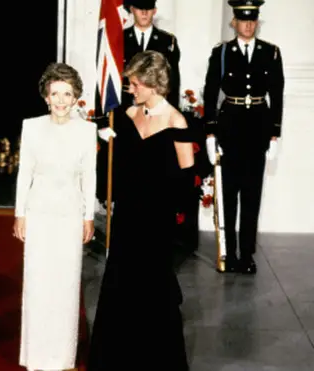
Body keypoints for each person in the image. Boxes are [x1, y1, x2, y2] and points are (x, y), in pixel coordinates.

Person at [88, 51, 192, 370]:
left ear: (152, 83)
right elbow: (112, 163)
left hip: (157, 220)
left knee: (153, 288)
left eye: (135, 83)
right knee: (121, 283)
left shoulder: (177, 121)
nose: (131, 89)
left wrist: (172, 213)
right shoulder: (126, 115)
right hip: (128, 215)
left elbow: (187, 177)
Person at [14, 63, 97, 371]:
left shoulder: (87, 131)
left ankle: (62, 359)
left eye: (67, 94)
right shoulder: (31, 126)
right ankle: (36, 358)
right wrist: (20, 213)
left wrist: (89, 216)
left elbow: (89, 177)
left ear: (75, 97)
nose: (61, 100)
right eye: (55, 94)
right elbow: (25, 174)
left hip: (70, 216)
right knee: (37, 285)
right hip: (39, 215)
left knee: (65, 287)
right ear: (45, 97)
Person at [202, 0, 284, 275]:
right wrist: (210, 130)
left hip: (258, 128)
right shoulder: (222, 52)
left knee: (252, 195)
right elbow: (211, 91)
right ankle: (228, 253)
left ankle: (247, 255)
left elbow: (277, 94)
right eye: (243, 20)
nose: (248, 25)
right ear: (234, 22)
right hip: (230, 127)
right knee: (228, 194)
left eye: (252, 20)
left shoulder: (270, 53)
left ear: (256, 22)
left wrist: (275, 134)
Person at [96, 0, 181, 211]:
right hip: (125, 118)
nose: (144, 12)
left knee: (153, 177)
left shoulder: (167, 42)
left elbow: (174, 84)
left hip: (157, 118)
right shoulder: (118, 37)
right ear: (131, 9)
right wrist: (101, 121)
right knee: (125, 175)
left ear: (154, 10)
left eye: (148, 8)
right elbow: (103, 79)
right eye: (139, 7)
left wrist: (170, 120)